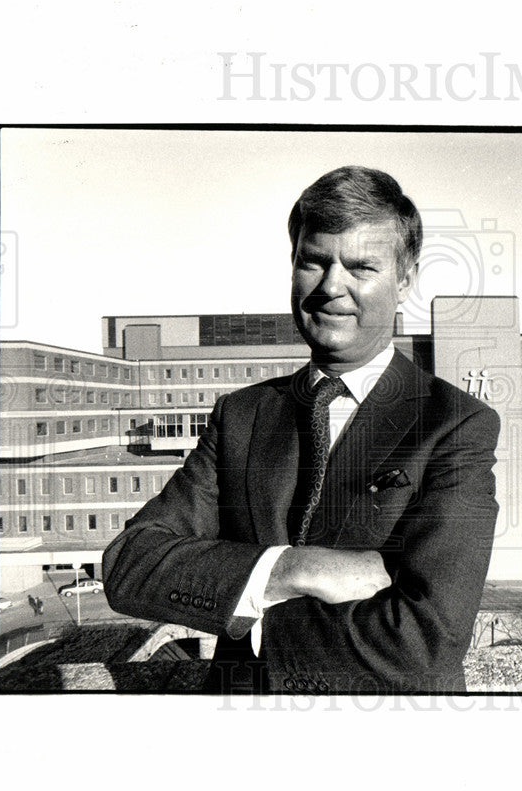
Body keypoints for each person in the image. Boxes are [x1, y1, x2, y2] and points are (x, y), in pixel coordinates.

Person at [103, 166, 500, 694]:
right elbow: (130, 564)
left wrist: (252, 612)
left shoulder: (454, 424)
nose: (332, 286)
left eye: (361, 267)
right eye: (313, 261)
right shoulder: (242, 416)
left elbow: (427, 641)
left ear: (404, 280)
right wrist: (291, 568)